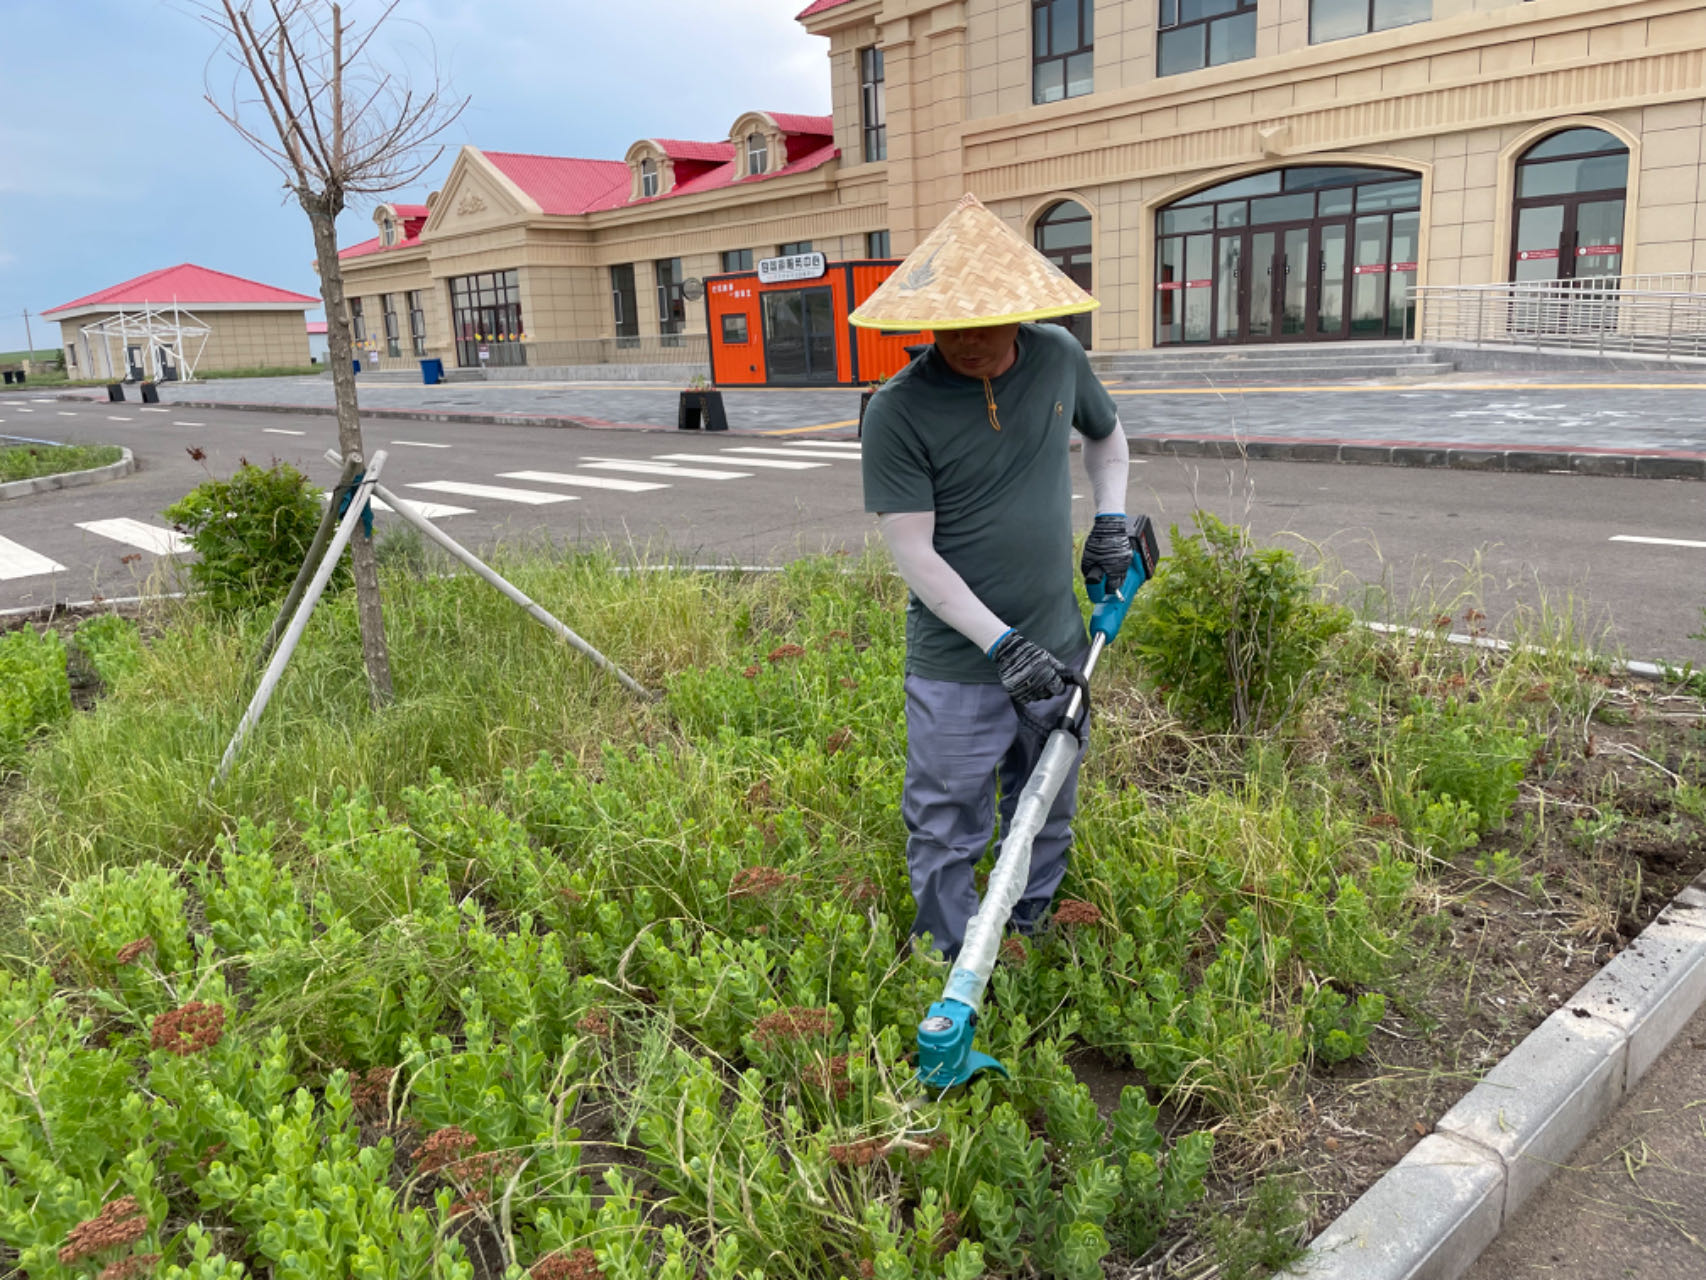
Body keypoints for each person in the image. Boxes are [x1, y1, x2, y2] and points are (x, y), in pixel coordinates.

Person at [851, 193, 1132, 959]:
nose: (967, 341)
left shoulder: (1059, 357)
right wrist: (1001, 644)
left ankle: (1024, 938)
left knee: (1046, 806)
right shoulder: (897, 412)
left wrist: (1111, 519)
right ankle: (947, 958)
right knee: (946, 822)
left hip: (1061, 643)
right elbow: (914, 552)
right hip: (957, 666)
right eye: (949, 324)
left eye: (984, 322)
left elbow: (1108, 439)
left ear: (1020, 311)